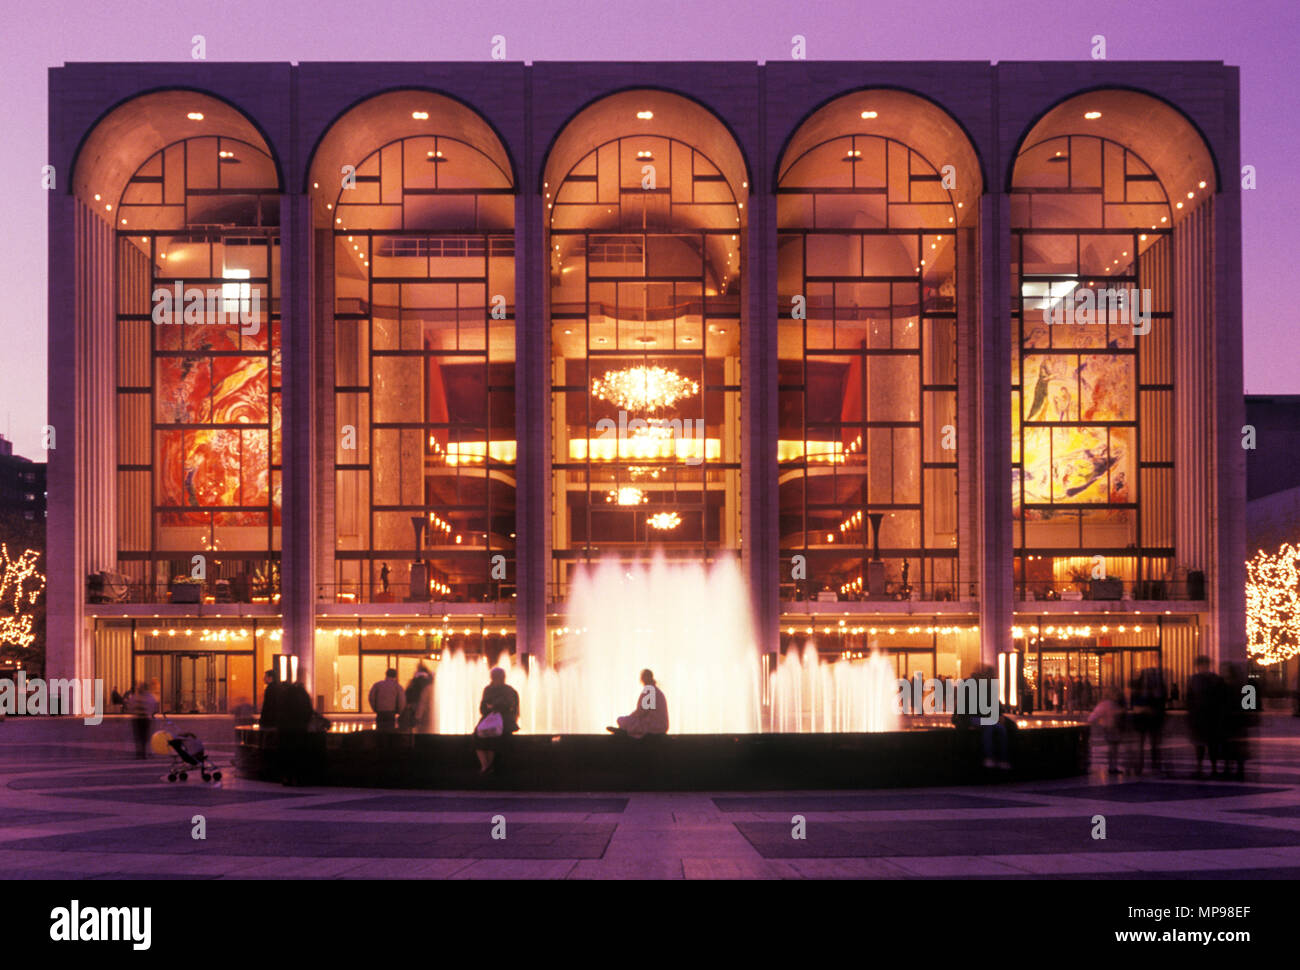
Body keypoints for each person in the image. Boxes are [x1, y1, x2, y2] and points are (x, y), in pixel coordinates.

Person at [1186, 655, 1226, 777]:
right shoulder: (1203, 679)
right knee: (1203, 745)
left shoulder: (1200, 680)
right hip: (1203, 716)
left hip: (1207, 716)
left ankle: (1208, 767)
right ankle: (1204, 767)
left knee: (1208, 744)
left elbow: (1190, 698)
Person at [474, 667, 520, 775]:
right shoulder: (490, 689)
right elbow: (482, 708)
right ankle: (486, 765)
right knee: (480, 736)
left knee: (488, 737)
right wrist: (492, 707)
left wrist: (493, 707)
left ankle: (486, 766)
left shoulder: (509, 690)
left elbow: (512, 707)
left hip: (504, 722)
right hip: (492, 720)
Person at [608, 669, 669, 739]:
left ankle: (623, 731)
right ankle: (624, 730)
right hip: (660, 725)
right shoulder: (654, 690)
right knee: (627, 720)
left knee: (621, 720)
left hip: (653, 726)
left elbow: (642, 711)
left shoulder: (650, 690)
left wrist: (629, 718)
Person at [1129, 667, 1168, 775]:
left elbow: (1161, 701)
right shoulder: (1144, 687)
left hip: (1150, 719)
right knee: (1145, 744)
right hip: (1144, 719)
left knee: (1151, 744)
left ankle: (1150, 765)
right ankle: (1143, 766)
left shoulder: (1156, 687)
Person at [1088, 688, 1127, 776]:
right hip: (1112, 727)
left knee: (1113, 748)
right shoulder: (1111, 704)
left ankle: (1112, 766)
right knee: (1113, 748)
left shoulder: (1105, 704)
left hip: (1109, 727)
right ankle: (1113, 767)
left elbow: (1093, 716)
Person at [126, 681, 159, 759]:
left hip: (138, 719)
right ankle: (143, 752)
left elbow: (130, 706)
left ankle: (140, 753)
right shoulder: (149, 697)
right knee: (144, 737)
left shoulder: (135, 696)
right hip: (145, 719)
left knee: (139, 737)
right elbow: (154, 706)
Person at [400, 663, 433, 732]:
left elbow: (407, 694)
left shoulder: (413, 682)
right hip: (428, 711)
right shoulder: (429, 685)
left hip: (415, 708)